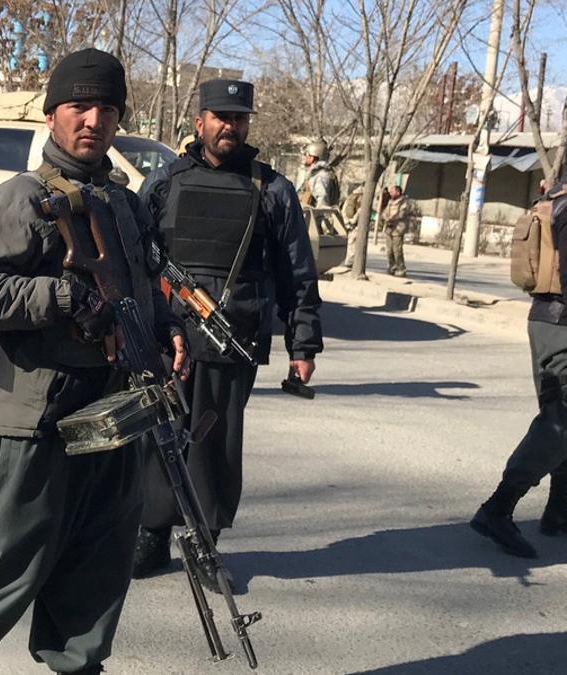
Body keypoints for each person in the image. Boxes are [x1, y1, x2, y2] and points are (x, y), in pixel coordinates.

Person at [0, 48, 188, 675]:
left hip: (115, 410)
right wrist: (62, 296)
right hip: (41, 414)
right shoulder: (22, 198)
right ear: (52, 115)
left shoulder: (125, 205)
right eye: (79, 106)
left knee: (100, 561)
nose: (93, 119)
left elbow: (142, 284)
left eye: (107, 108)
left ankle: (79, 664)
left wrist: (169, 326)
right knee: (13, 556)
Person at [131, 79, 324, 581]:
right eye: (220, 116)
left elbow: (297, 274)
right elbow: (137, 260)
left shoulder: (272, 190)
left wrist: (303, 344)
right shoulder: (165, 184)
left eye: (239, 118)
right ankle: (152, 536)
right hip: (168, 339)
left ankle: (204, 545)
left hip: (231, 341)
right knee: (160, 437)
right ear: (200, 122)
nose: (230, 126)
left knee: (214, 447)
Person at [470, 128, 567, 559]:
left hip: (558, 324)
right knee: (561, 421)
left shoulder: (564, 199)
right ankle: (497, 509)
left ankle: (559, 508)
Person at [380, 185, 413, 277]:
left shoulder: (403, 202)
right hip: (389, 228)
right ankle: (392, 266)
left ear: (398, 192)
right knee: (389, 250)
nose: (390, 193)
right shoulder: (390, 202)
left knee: (397, 250)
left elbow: (401, 214)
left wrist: (391, 218)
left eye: (392, 191)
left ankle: (401, 268)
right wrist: (386, 217)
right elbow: (384, 213)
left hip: (398, 229)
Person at [298, 140, 339, 209]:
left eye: (306, 154)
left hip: (312, 218)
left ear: (312, 157)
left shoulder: (321, 176)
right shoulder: (314, 175)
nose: (303, 157)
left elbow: (322, 204)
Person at [340, 184, 364, 270]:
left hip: (350, 223)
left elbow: (344, 210)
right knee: (352, 242)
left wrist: (347, 221)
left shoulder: (351, 198)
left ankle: (350, 261)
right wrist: (353, 221)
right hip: (355, 224)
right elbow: (359, 212)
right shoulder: (361, 197)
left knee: (351, 242)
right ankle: (350, 261)